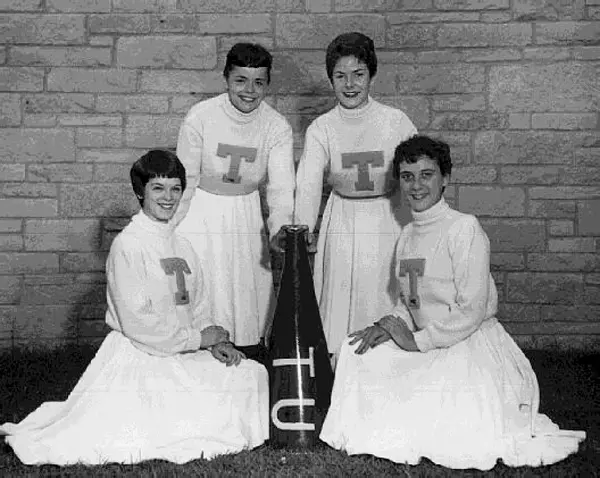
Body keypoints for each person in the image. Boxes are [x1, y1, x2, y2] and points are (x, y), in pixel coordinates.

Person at [319, 136, 586, 470]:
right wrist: (388, 325)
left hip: (468, 344)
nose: (416, 185)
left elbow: (472, 310)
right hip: (427, 340)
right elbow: (408, 299)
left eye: (426, 175)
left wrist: (416, 342)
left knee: (439, 410)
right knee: (359, 352)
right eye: (407, 176)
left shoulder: (464, 228)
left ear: (445, 178)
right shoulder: (407, 235)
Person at [0, 150, 269, 465]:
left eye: (175, 188)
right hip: (142, 356)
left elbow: (198, 306)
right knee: (184, 414)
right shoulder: (128, 245)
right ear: (140, 191)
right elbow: (139, 323)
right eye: (158, 188)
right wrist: (198, 340)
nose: (168, 197)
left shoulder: (183, 245)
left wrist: (215, 344)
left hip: (182, 349)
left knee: (251, 374)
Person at [294, 32, 417, 360]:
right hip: (343, 221)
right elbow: (308, 183)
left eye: (358, 74)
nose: (350, 84)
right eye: (340, 76)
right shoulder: (322, 127)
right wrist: (302, 228)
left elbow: (419, 171)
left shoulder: (396, 121)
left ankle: (388, 363)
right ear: (331, 78)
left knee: (384, 291)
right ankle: (339, 366)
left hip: (388, 218)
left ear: (372, 75)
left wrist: (423, 225)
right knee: (342, 296)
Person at [174, 43, 295, 354]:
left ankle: (246, 360)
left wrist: (280, 226)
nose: (249, 91)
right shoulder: (200, 117)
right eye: (240, 80)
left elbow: (281, 189)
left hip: (246, 216)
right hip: (202, 211)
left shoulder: (276, 126)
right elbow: (185, 180)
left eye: (259, 82)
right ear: (226, 78)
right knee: (203, 290)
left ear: (268, 84)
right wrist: (171, 227)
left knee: (244, 296)